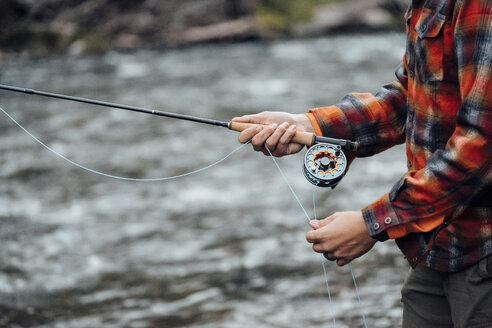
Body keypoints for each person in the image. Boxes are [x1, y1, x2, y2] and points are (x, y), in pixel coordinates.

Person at [232, 1, 492, 327]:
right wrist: (310, 126)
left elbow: (482, 146)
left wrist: (373, 223)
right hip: (437, 247)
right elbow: (411, 98)